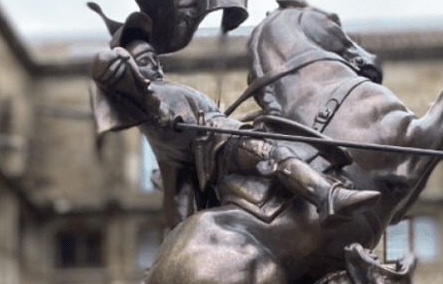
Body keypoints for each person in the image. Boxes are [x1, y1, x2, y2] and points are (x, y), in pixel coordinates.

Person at [89, 12, 380, 229]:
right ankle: (327, 196)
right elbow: (113, 68)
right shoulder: (148, 98)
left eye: (154, 59)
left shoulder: (170, 90)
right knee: (274, 152)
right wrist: (158, 108)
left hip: (221, 137)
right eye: (144, 62)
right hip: (218, 148)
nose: (154, 65)